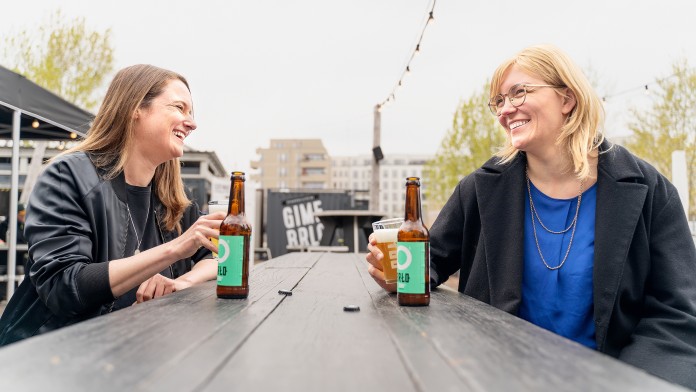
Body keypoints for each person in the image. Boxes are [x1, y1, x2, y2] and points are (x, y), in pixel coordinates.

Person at [365, 45, 696, 388]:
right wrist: (400, 275)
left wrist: (626, 384)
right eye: (499, 101)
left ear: (567, 99)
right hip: (499, 379)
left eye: (518, 93)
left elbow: (677, 314)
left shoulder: (650, 191)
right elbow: (429, 257)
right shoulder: (480, 188)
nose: (506, 110)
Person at [0, 64, 225, 346]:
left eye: (191, 113)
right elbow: (63, 286)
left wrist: (184, 283)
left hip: (127, 354)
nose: (191, 123)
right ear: (135, 108)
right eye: (179, 108)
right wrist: (174, 249)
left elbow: (221, 257)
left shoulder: (174, 198)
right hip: (47, 359)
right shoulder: (67, 176)